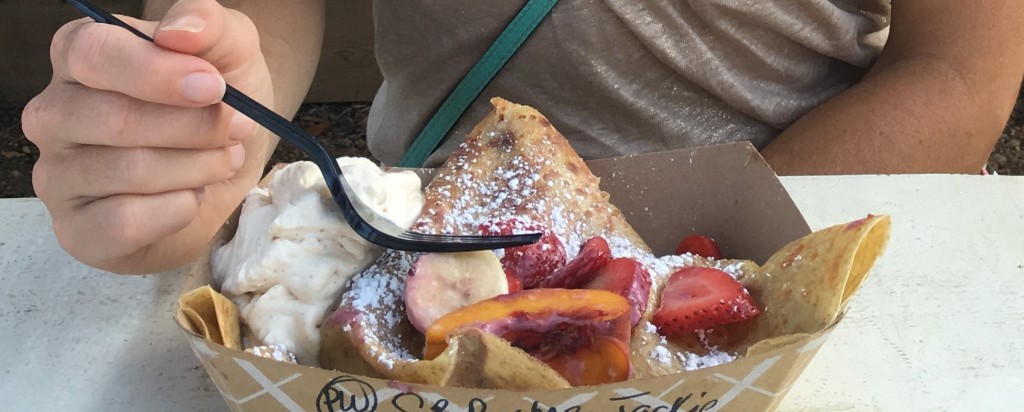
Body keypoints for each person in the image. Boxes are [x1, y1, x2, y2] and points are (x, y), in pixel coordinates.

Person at [21, 0, 1024, 275]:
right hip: (430, 258)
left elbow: (962, 66)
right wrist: (205, 128)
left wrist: (665, 275)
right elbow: (257, 12)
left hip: (806, 235)